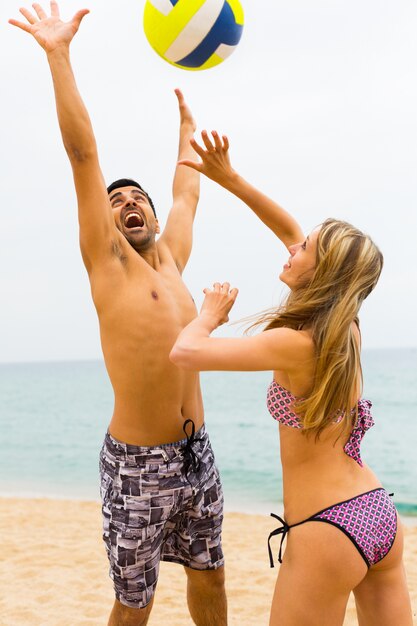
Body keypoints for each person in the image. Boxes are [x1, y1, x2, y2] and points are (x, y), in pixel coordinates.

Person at [9, 3, 226, 625]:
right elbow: (83, 154)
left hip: (196, 453)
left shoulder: (173, 263)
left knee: (210, 579)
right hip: (137, 465)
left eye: (138, 198)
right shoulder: (107, 263)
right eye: (117, 202)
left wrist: (187, 125)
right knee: (136, 604)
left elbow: (186, 187)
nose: (128, 204)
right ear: (105, 222)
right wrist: (58, 55)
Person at [170, 131, 414, 626]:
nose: (292, 247)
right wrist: (231, 179)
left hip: (327, 529)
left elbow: (186, 352)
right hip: (375, 513)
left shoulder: (295, 343)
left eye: (305, 248)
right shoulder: (347, 330)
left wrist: (210, 314)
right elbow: (287, 228)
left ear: (321, 272)